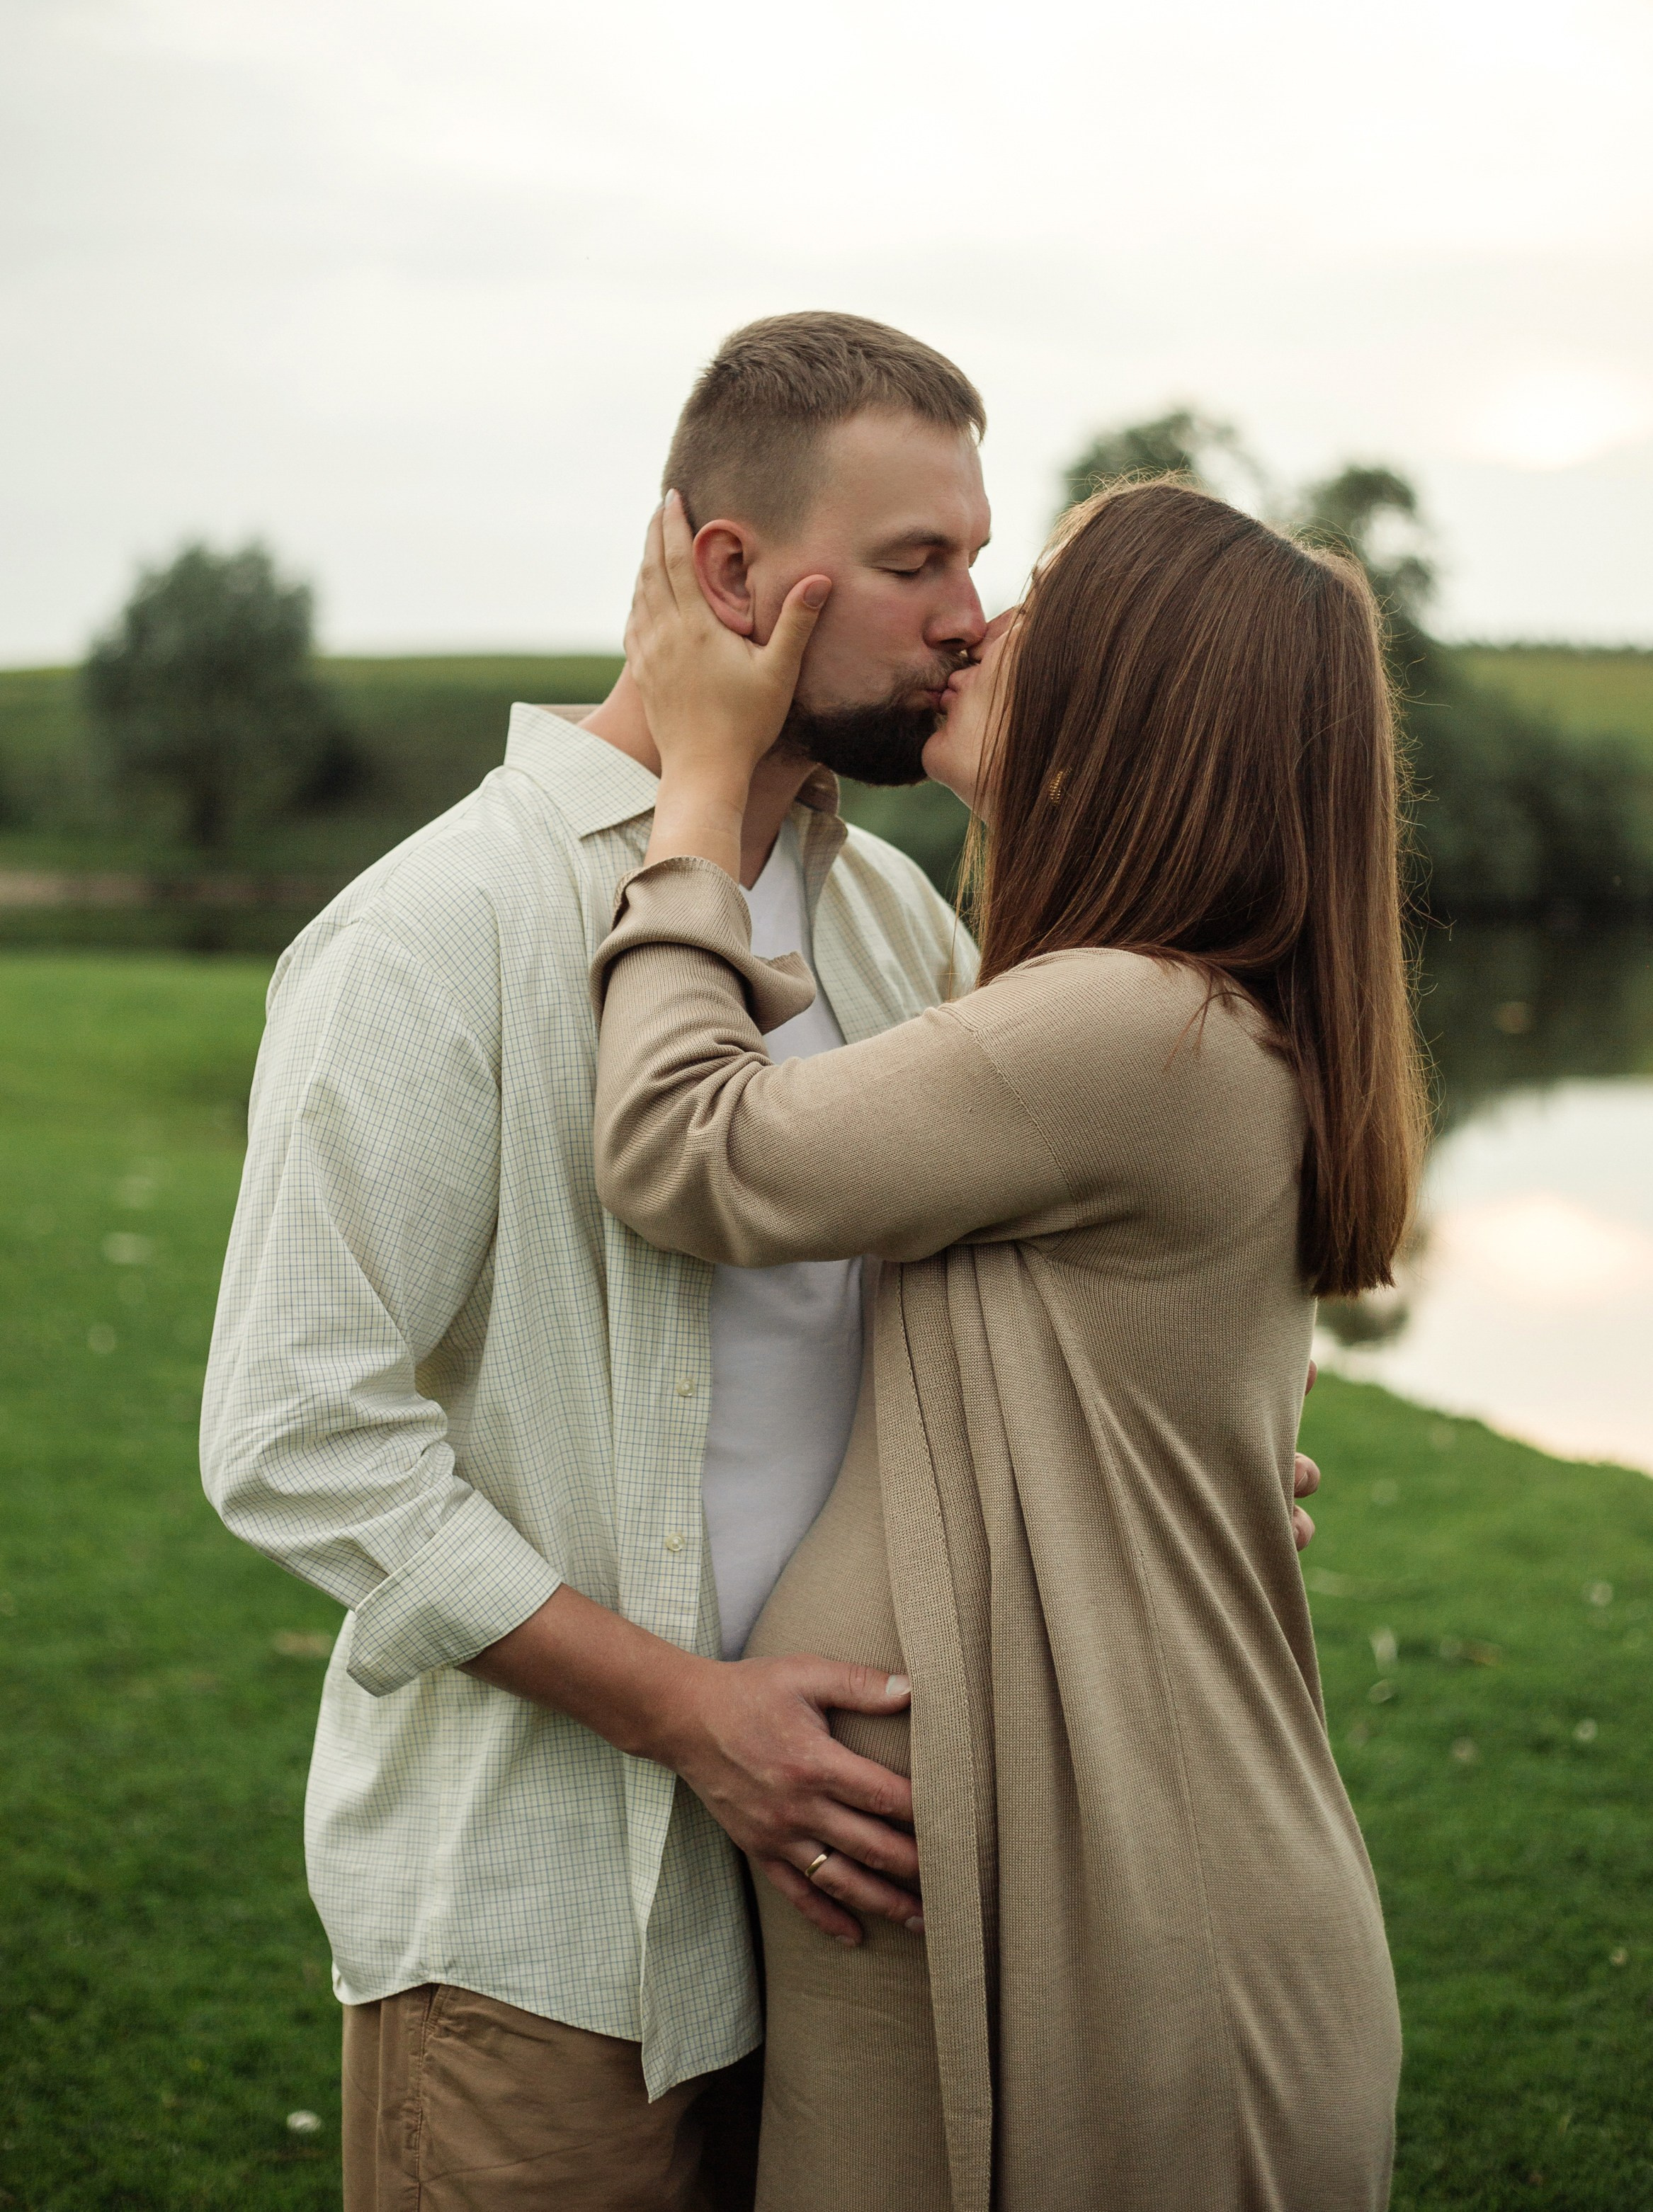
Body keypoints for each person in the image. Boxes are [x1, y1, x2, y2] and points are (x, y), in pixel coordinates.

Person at [200, 310, 1322, 2212]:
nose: (969, 616)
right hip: (548, 1941)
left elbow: (969, 1323)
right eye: (911, 565)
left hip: (858, 1917)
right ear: (729, 574)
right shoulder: (430, 934)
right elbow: (295, 1433)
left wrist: (1147, 1461)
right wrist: (687, 1711)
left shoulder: (896, 922)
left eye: (976, 555)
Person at [591, 477, 1423, 2211]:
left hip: (1139, 1944)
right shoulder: (1136, 1015)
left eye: (1040, 595)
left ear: (1132, 694)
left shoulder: (1125, 1021)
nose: (982, 623)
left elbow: (689, 1145)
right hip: (1066, 1898)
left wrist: (697, 785)